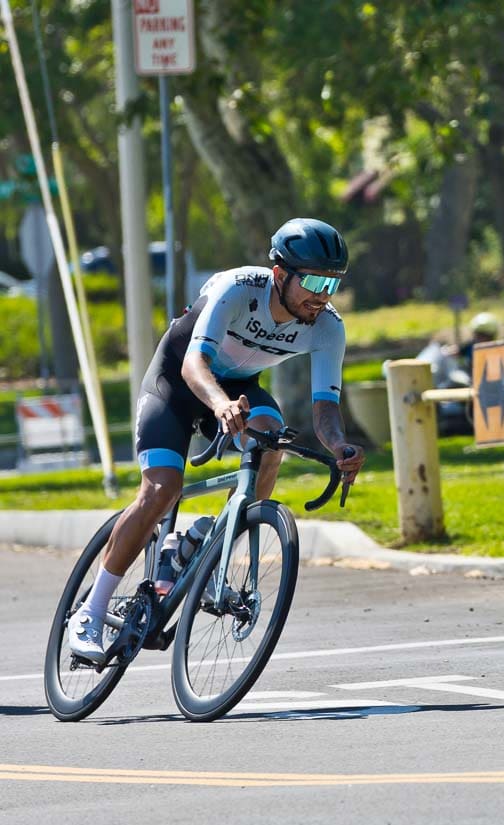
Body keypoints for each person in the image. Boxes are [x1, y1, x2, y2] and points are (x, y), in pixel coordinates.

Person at [67, 217, 366, 664]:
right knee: (162, 490)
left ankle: (211, 539)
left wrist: (340, 446)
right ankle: (89, 614)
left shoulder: (327, 327)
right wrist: (221, 405)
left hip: (238, 389)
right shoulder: (239, 289)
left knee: (271, 444)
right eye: (314, 281)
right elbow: (192, 366)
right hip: (176, 381)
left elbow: (325, 408)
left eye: (333, 283)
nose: (322, 295)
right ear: (281, 275)